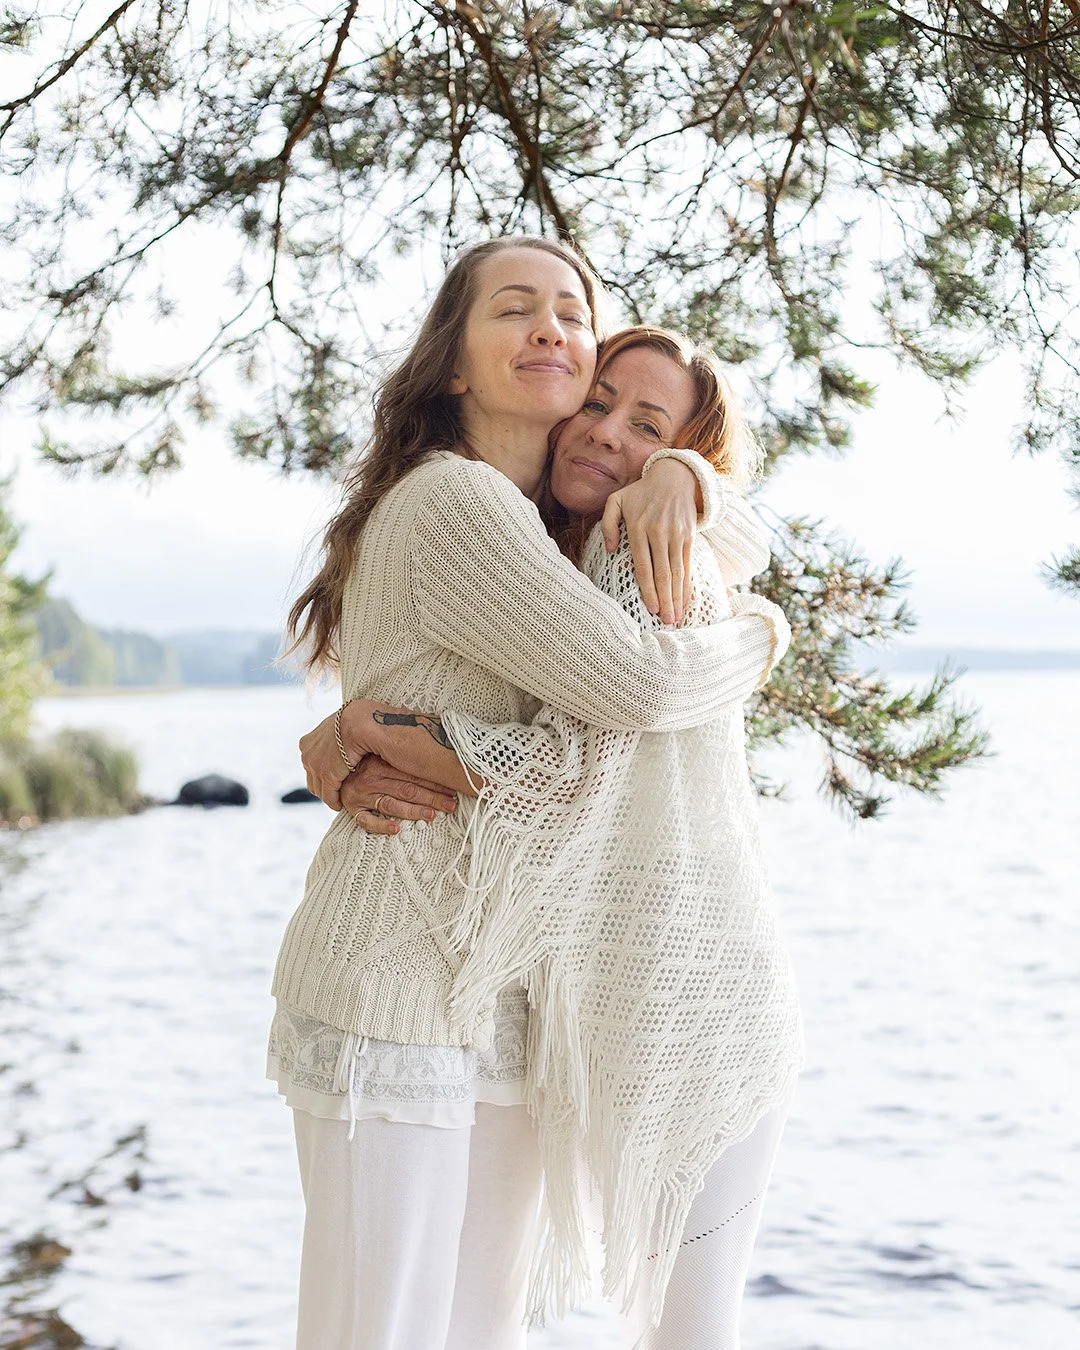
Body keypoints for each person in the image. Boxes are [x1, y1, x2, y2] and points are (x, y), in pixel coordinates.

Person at [269, 238, 789, 1350]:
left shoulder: (563, 532)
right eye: (517, 309)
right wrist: (760, 638)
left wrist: (688, 486)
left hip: (494, 1001)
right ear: (456, 365)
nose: (553, 328)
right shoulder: (460, 503)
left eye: (572, 310)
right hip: (396, 987)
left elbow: (591, 734)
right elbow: (632, 689)